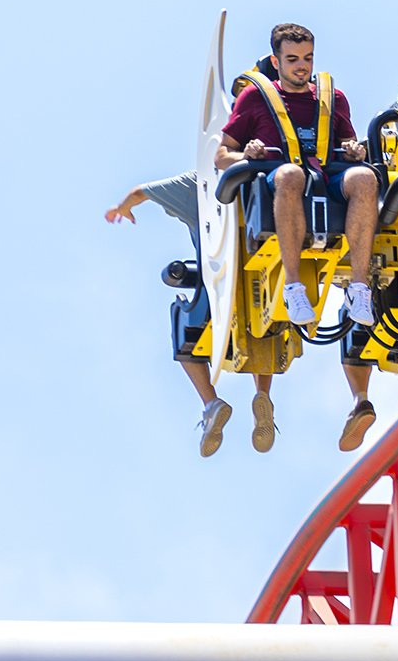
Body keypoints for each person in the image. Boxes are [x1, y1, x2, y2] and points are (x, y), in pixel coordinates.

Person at [215, 22, 385, 450]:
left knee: (366, 179)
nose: (301, 67)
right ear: (276, 61)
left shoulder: (331, 98)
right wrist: (245, 153)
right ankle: (293, 284)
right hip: (281, 178)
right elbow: (221, 155)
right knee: (289, 173)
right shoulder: (255, 97)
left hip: (327, 176)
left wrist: (355, 151)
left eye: (307, 58)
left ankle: (359, 288)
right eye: (292, 60)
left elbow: (349, 143)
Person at [105, 172, 276, 456]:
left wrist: (122, 208)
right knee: (266, 323)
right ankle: (263, 395)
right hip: (265, 282)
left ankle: (211, 403)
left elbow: (139, 192)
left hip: (220, 294)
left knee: (182, 322)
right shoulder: (269, 175)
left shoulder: (199, 184)